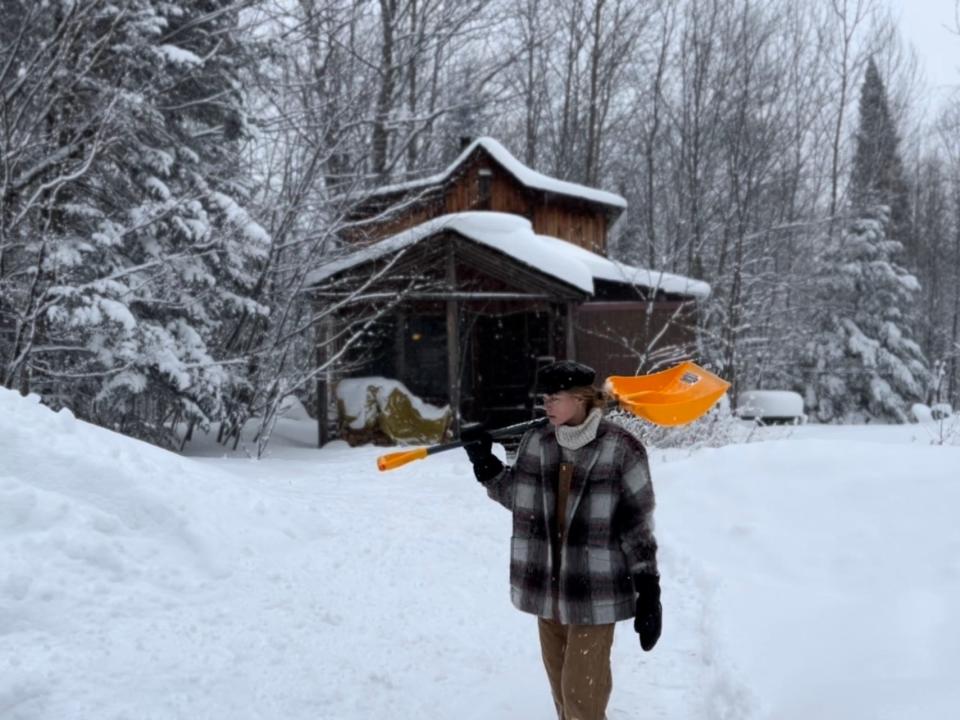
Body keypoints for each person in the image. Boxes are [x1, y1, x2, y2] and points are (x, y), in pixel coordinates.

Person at [463, 360, 661, 720]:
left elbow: (638, 526)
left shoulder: (621, 448)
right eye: (544, 399)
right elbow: (518, 499)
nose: (546, 406)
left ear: (582, 399)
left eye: (555, 398)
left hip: (594, 590)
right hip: (546, 587)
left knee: (580, 697)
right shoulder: (537, 441)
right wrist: (486, 465)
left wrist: (649, 590)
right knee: (563, 699)